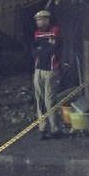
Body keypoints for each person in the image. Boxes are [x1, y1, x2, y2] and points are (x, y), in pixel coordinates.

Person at [32, 10, 62, 138]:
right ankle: (42, 128)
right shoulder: (37, 33)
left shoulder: (55, 31)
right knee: (39, 99)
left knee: (49, 100)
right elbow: (35, 50)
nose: (39, 22)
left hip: (51, 69)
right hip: (38, 69)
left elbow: (52, 49)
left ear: (47, 20)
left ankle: (55, 128)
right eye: (38, 20)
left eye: (42, 20)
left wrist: (42, 48)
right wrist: (45, 46)